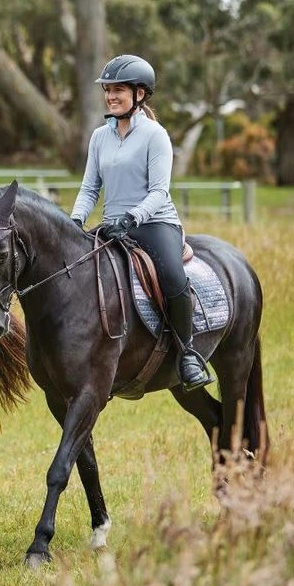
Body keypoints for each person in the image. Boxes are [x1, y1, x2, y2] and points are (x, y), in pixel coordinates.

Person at [70, 54, 211, 392]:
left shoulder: (155, 135)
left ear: (140, 93)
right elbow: (90, 188)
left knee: (172, 276)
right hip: (112, 226)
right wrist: (75, 220)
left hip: (154, 224)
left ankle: (188, 354)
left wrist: (132, 217)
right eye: (107, 90)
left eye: (118, 90)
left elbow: (160, 192)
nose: (110, 96)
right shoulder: (99, 137)